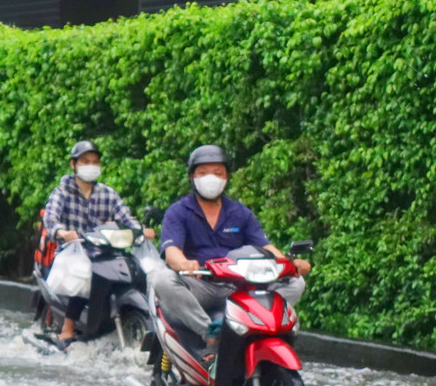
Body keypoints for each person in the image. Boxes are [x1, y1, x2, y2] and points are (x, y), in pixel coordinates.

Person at [154, 144, 311, 363]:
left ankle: (266, 327)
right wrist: (184, 264)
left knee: (296, 283)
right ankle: (210, 331)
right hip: (201, 284)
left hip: (239, 286)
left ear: (227, 177)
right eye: (203, 172)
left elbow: (266, 247)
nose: (211, 178)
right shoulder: (178, 212)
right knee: (162, 279)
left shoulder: (240, 213)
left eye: (217, 172)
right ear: (192, 177)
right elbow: (171, 251)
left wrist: (291, 265)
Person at [41, 140, 154, 344]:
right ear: (73, 164)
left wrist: (140, 230)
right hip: (73, 253)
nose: (91, 165)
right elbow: (50, 218)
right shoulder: (62, 192)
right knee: (85, 273)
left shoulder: (108, 193)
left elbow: (126, 218)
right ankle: (68, 327)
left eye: (95, 161)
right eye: (85, 161)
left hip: (106, 253)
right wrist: (62, 232)